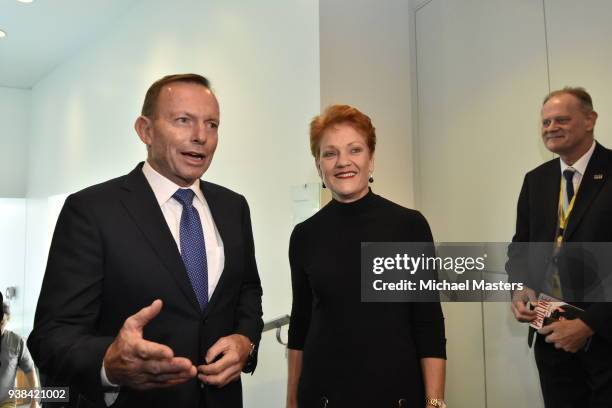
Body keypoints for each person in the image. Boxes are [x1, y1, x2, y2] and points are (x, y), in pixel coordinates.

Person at [27, 74, 263, 408]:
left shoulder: (233, 207)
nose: (201, 137)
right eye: (184, 121)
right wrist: (109, 362)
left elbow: (248, 293)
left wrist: (245, 340)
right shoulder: (92, 210)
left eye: (212, 124)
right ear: (145, 130)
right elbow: (52, 336)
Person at [286, 105, 447, 408]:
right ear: (319, 165)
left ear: (371, 160)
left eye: (355, 150)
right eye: (330, 153)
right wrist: (291, 401)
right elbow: (301, 324)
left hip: (395, 395)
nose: (343, 162)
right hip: (322, 397)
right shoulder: (305, 235)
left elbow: (428, 324)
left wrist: (436, 403)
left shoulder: (408, 226)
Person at [507, 87, 612, 407]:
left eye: (562, 120)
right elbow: (520, 246)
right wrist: (521, 286)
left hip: (604, 337)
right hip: (550, 334)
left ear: (590, 120)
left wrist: (589, 323)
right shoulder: (536, 180)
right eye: (545, 122)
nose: (551, 128)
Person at [1, 301, 40, 408]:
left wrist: (35, 401)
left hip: (6, 402)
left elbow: (30, 370)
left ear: (7, 319)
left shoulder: (17, 342)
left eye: (1, 323)